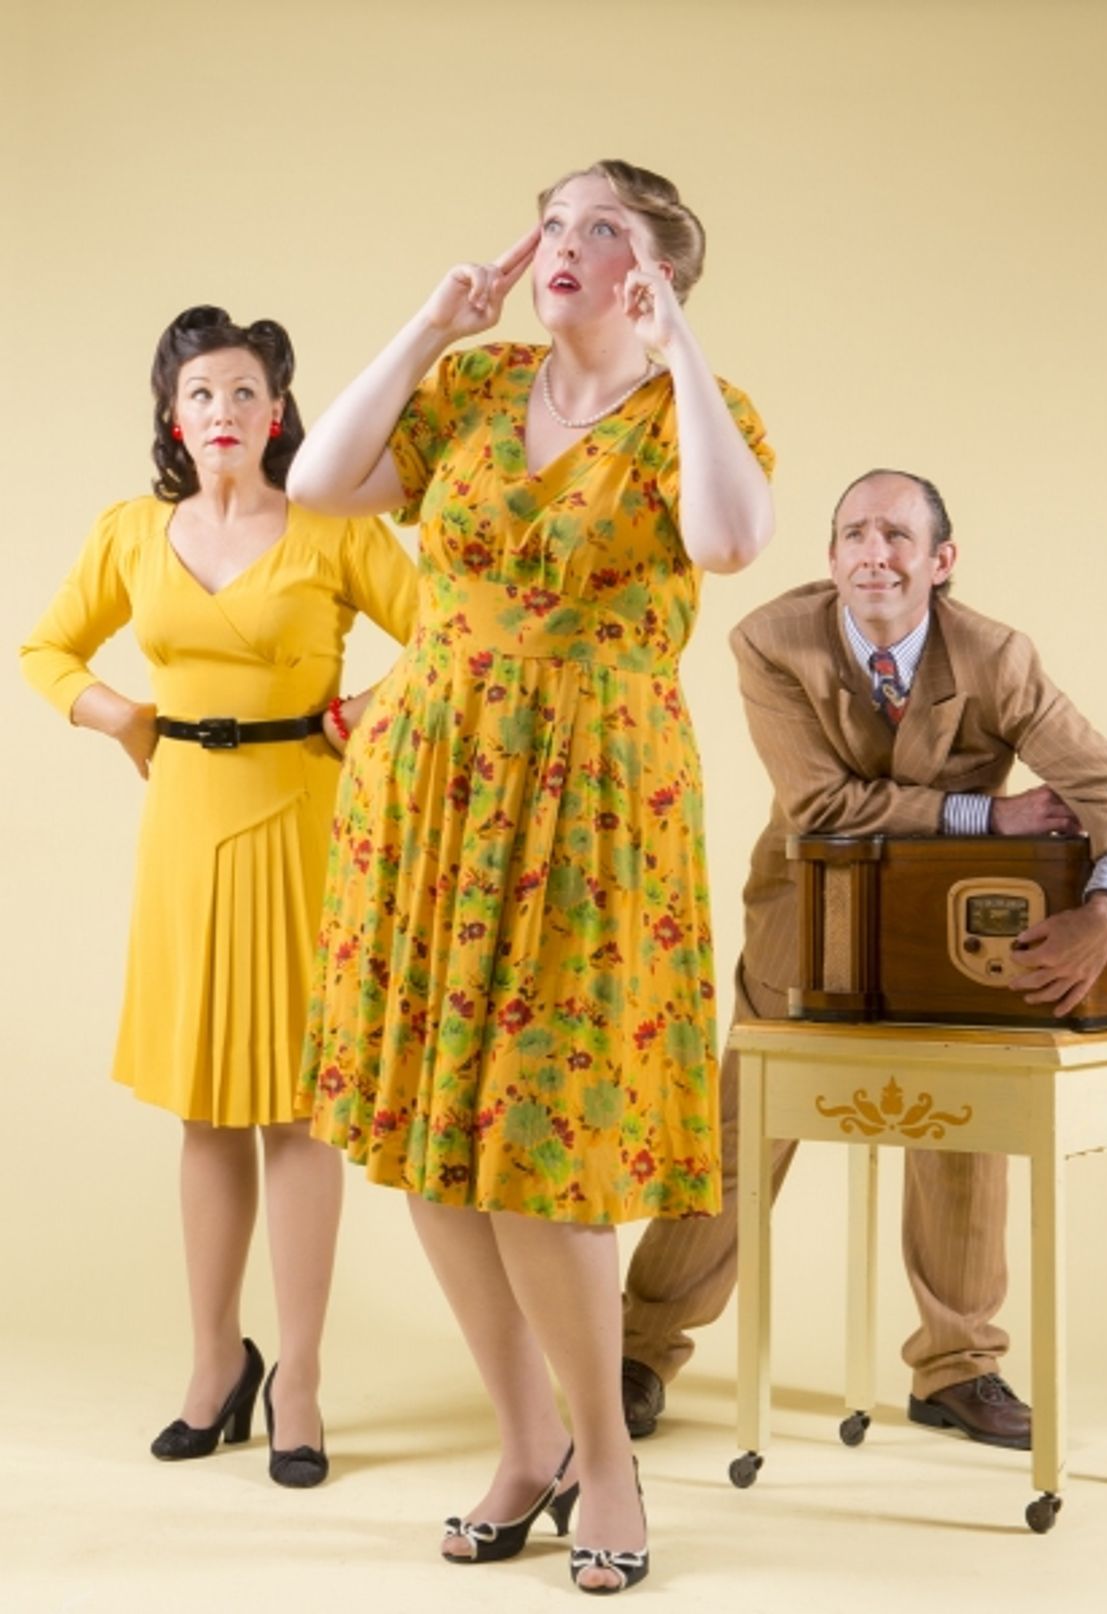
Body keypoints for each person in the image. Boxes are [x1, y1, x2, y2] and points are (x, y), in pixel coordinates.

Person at [287, 159, 773, 1592]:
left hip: (593, 803)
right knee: (440, 1128)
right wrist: (433, 324)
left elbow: (731, 540)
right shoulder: (476, 391)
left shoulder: (703, 411)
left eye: (598, 227)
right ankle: (522, 1445)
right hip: (435, 783)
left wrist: (680, 350)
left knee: (548, 1139)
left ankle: (605, 1462)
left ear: (657, 268)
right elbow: (320, 481)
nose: (560, 245)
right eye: (551, 221)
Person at [621, 467, 1107, 1451]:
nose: (875, 553)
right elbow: (820, 808)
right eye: (854, 535)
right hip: (806, 924)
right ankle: (640, 1349)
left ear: (940, 563)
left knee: (966, 1134)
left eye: (898, 536)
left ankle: (958, 1366)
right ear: (830, 562)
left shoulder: (998, 658)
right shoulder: (772, 642)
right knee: (736, 1139)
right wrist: (987, 813)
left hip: (951, 937)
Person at [20, 306, 418, 1486]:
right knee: (205, 1107)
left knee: (296, 1110)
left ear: (280, 412)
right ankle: (212, 1366)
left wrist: (364, 713)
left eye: (246, 393)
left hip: (306, 818)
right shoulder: (132, 533)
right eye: (203, 395)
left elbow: (449, 642)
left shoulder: (336, 528)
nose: (225, 414)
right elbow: (46, 653)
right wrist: (125, 718)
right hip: (185, 823)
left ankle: (298, 1381)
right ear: (172, 417)